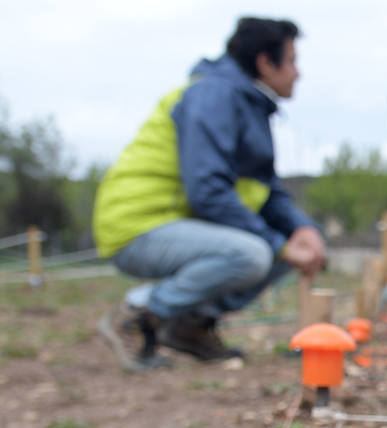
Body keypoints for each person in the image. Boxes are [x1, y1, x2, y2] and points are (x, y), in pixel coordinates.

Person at [93, 16, 327, 371]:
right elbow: (207, 190)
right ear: (265, 62)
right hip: (139, 226)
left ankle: (189, 327)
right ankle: (136, 314)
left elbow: (263, 190)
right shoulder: (213, 95)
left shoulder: (247, 105)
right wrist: (280, 245)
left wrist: (301, 229)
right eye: (292, 61)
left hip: (178, 226)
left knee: (284, 248)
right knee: (252, 254)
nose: (298, 73)